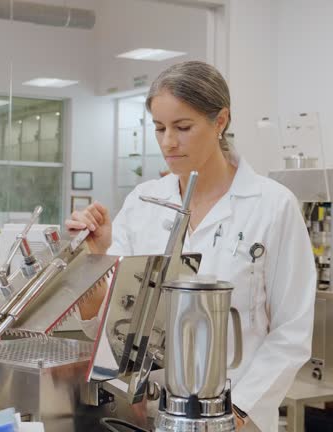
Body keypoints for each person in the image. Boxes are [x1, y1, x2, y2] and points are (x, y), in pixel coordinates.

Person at [67, 61, 315, 432]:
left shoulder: (272, 205)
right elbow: (114, 324)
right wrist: (96, 256)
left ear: (220, 122)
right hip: (149, 413)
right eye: (160, 128)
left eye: (183, 128)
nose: (168, 142)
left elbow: (292, 330)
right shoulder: (144, 202)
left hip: (237, 419)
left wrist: (239, 412)